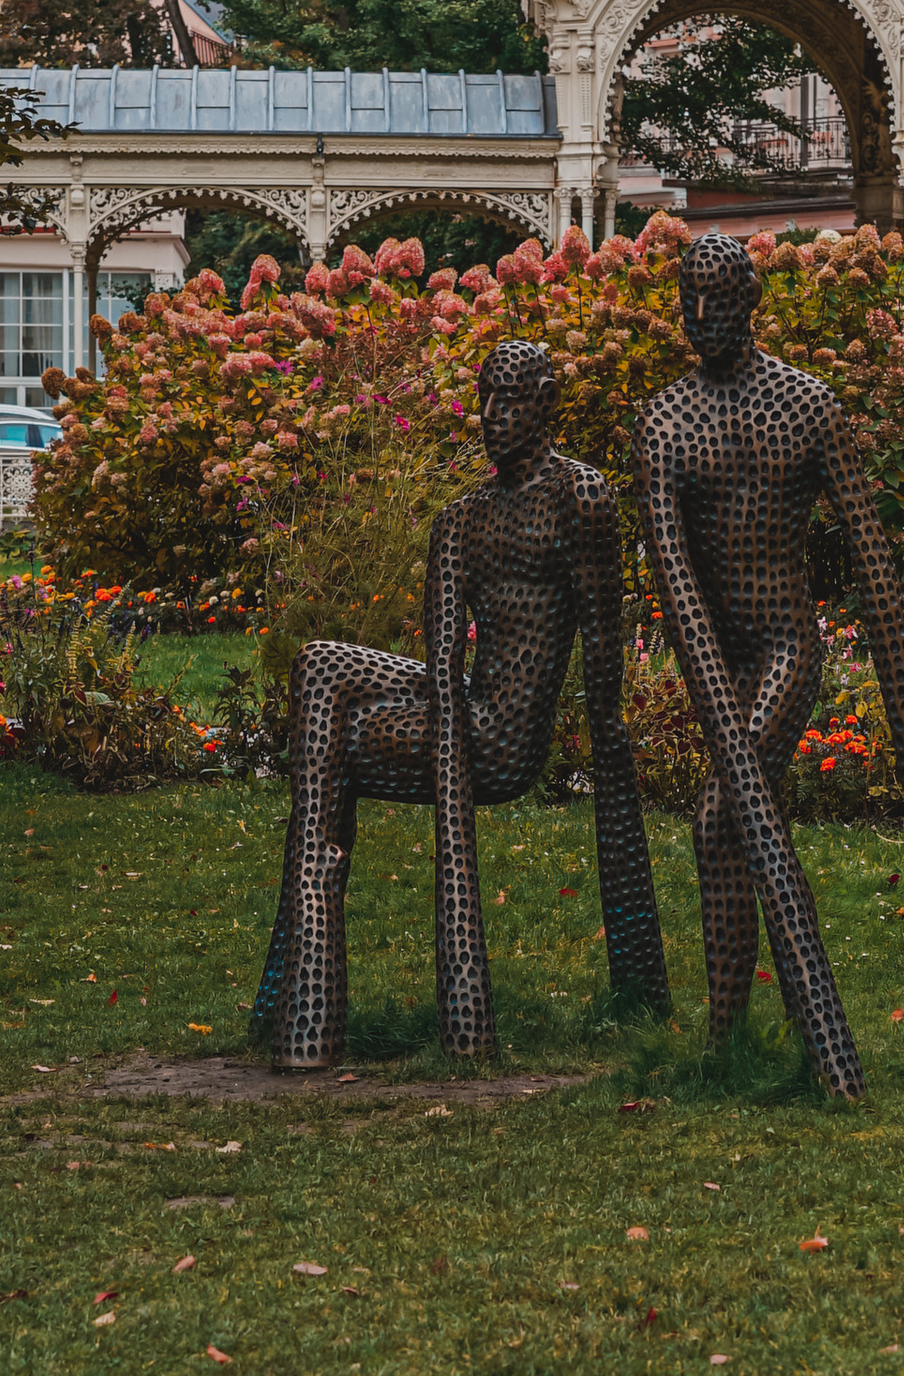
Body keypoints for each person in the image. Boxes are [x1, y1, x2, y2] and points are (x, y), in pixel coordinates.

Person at [636, 228, 904, 1099]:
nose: (698, 318)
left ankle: (731, 1034)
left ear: (750, 302)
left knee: (720, 817)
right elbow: (673, 570)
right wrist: (713, 706)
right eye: (686, 301)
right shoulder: (666, 417)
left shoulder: (806, 406)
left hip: (781, 647)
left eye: (717, 301)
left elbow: (869, 550)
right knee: (725, 822)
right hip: (716, 655)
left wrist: (900, 677)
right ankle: (728, 1034)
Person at [250, 338, 668, 1073]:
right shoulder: (461, 520)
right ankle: (306, 967)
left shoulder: (578, 497)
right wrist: (445, 735)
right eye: (484, 398)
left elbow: (604, 637)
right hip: (464, 711)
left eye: (508, 399)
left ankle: (305, 1009)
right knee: (319, 667)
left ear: (543, 404)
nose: (490, 416)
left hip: (504, 737)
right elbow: (442, 662)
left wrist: (612, 744)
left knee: (335, 738)